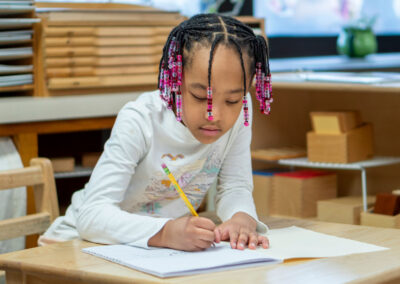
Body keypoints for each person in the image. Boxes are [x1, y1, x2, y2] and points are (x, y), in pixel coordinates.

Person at [40, 13, 274, 252]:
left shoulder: (240, 112)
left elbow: (235, 186)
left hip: (151, 254)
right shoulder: (140, 120)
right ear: (175, 80)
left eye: (233, 99)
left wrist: (242, 219)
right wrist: (165, 232)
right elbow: (91, 217)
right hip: (74, 246)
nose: (214, 115)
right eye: (200, 96)